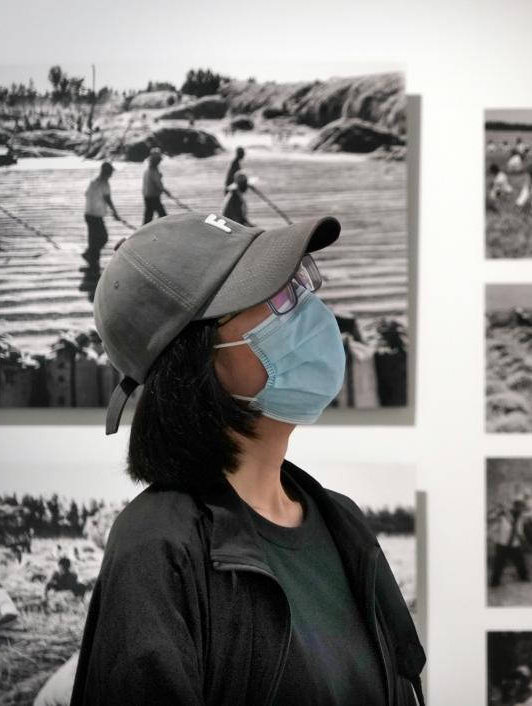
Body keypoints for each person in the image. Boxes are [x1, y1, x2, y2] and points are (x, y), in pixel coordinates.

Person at [72, 213, 424, 704]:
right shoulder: (158, 546)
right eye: (274, 296)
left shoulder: (340, 520)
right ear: (194, 358)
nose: (310, 309)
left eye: (298, 283)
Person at [82, 162, 121, 271]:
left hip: (88, 214)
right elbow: (108, 199)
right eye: (111, 172)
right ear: (107, 173)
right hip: (95, 216)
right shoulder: (105, 183)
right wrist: (115, 213)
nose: (112, 175)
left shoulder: (93, 181)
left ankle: (92, 261)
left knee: (93, 240)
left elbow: (86, 194)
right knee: (103, 238)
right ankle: (91, 259)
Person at [489, 499, 530, 587]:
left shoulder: (520, 517)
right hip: (502, 543)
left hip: (514, 543)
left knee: (520, 562)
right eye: (521, 508)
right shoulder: (503, 516)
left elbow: (519, 530)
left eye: (523, 508)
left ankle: (524, 577)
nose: (522, 510)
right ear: (515, 507)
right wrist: (497, 512)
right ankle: (495, 582)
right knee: (499, 563)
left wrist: (523, 539)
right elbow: (490, 519)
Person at [142, 147, 168, 224]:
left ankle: (144, 228)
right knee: (162, 216)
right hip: (152, 196)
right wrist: (165, 190)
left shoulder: (149, 170)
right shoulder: (153, 170)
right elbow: (157, 184)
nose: (159, 161)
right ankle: (166, 227)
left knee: (149, 215)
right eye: (158, 160)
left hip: (148, 195)